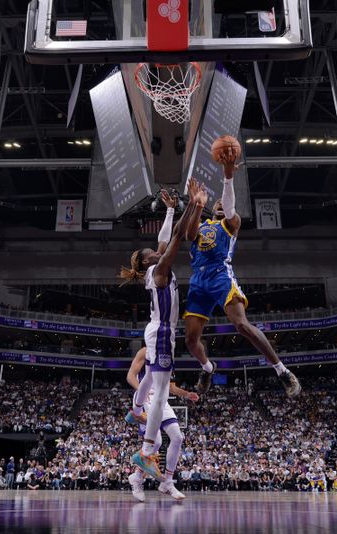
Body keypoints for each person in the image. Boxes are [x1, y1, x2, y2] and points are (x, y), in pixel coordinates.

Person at [181, 144, 300, 396]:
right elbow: (189, 234)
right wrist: (197, 205)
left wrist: (227, 175)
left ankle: (282, 371)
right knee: (190, 340)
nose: (221, 206)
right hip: (198, 281)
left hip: (221, 276)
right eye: (217, 204)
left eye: (224, 204)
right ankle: (208, 368)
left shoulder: (231, 224)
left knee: (242, 326)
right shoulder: (201, 225)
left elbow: (231, 206)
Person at [120, 178, 206, 482]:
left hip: (158, 330)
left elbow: (164, 240)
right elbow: (177, 239)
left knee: (155, 384)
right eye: (152, 253)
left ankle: (135, 411)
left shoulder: (155, 268)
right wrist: (193, 205)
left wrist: (171, 211)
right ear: (147, 262)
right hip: (161, 333)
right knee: (159, 394)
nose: (158, 251)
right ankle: (144, 453)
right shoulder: (160, 270)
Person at [125, 347, 199, 501]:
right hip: (145, 398)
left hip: (162, 399)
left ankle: (167, 483)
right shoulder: (144, 351)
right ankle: (138, 477)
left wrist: (186, 394)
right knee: (156, 442)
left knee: (177, 437)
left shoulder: (168, 355)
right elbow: (130, 376)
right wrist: (142, 391)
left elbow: (171, 387)